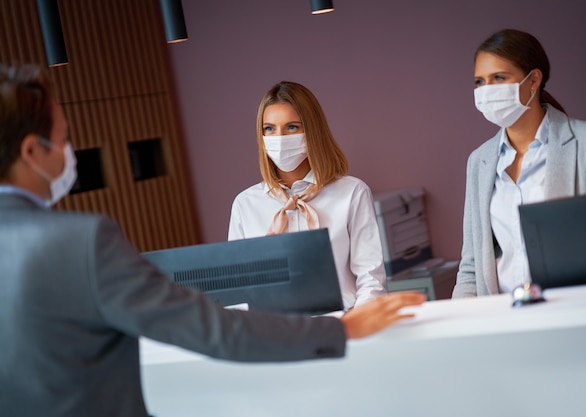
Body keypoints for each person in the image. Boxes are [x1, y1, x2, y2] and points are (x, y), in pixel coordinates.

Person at [0, 63, 426, 417]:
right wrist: (340, 333)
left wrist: (349, 324)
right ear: (32, 153)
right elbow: (214, 323)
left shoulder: (351, 192)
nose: (70, 152)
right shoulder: (83, 241)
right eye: (62, 139)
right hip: (281, 346)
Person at [452, 29, 586, 298]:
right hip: (502, 319)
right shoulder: (479, 162)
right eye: (479, 82)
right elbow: (471, 268)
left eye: (499, 77)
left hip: (575, 313)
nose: (486, 91)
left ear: (533, 80)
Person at [228, 81, 387, 309]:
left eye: (292, 127)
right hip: (277, 333)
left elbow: (371, 278)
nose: (279, 137)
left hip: (344, 326)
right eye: (269, 129)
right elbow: (239, 290)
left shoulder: (352, 192)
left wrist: (355, 325)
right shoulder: (245, 205)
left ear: (312, 131)